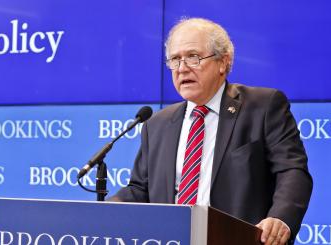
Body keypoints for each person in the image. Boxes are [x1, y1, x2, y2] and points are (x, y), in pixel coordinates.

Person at [110, 17, 313, 245]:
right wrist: (109, 209)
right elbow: (140, 189)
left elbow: (292, 170)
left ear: (223, 63)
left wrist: (280, 218)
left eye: (193, 57)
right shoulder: (156, 124)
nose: (182, 68)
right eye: (175, 60)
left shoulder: (263, 107)